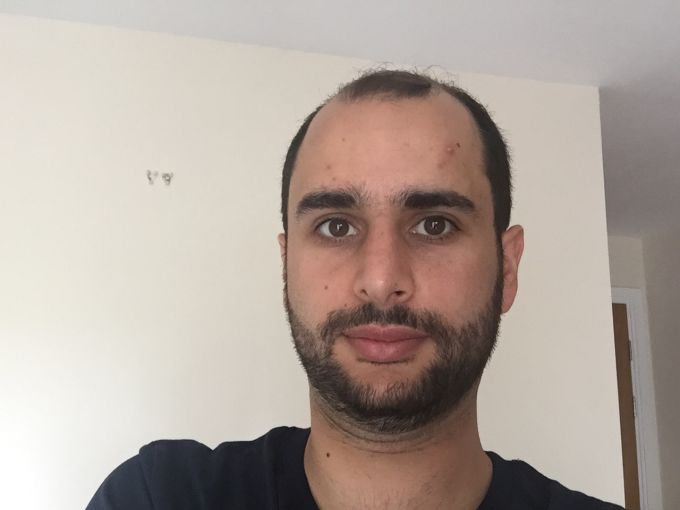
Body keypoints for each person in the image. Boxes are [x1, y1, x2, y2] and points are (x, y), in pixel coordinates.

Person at [87, 70, 623, 509]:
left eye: (434, 225)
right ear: (286, 267)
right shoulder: (162, 497)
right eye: (336, 226)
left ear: (507, 268)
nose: (382, 281)